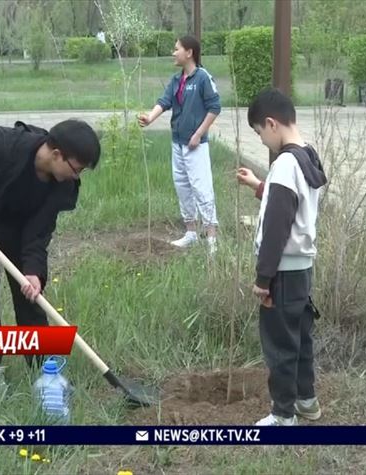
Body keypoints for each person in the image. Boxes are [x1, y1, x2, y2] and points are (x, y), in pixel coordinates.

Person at [0, 119, 101, 394]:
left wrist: (33, 271)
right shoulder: (3, 143)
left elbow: (40, 231)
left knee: (31, 298)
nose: (77, 176)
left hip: (21, 233)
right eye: (76, 168)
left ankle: (42, 370)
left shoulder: (62, 185)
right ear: (56, 154)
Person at [236, 88, 328, 426]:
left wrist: (263, 279)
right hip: (301, 270)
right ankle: (306, 401)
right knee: (300, 339)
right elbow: (292, 203)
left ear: (272, 124)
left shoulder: (286, 163)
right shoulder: (307, 155)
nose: (262, 141)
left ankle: (283, 415)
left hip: (282, 274)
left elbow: (277, 225)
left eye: (260, 132)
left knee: (280, 347)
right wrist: (260, 186)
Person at [138, 35, 221, 254]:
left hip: (196, 145)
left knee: (201, 187)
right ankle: (191, 232)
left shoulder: (203, 78)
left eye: (176, 49)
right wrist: (149, 117)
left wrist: (198, 134)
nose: (173, 53)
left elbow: (214, 108)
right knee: (183, 186)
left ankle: (212, 237)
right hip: (178, 143)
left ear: (189, 52)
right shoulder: (177, 80)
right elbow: (164, 102)